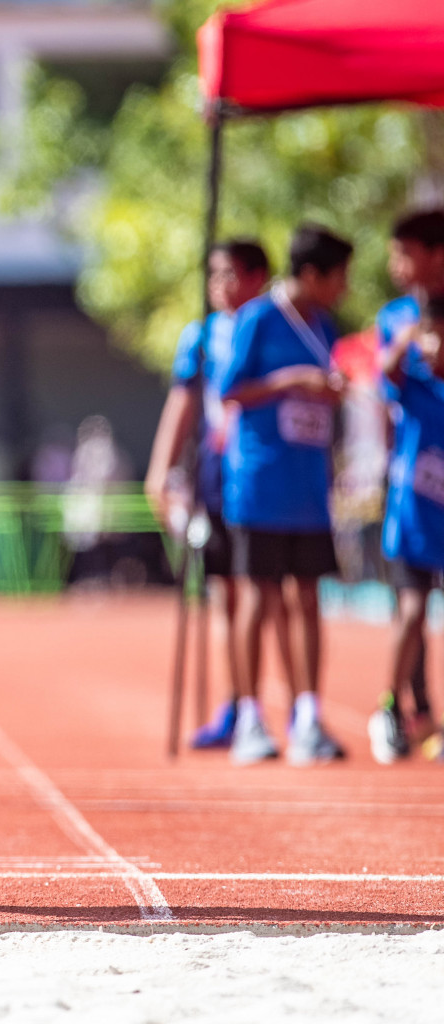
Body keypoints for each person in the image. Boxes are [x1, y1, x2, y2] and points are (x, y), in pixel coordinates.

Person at [143, 240, 286, 749]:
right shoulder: (201, 336)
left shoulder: (278, 328)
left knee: (272, 595)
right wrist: (160, 470)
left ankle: (288, 707)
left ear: (257, 278)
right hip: (216, 481)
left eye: (230, 275)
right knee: (227, 595)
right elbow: (183, 403)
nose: (218, 286)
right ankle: (238, 702)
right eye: (213, 275)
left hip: (268, 480)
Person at [219, 224, 351, 766]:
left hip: (309, 487)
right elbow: (229, 389)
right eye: (340, 277)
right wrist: (291, 380)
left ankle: (307, 716)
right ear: (313, 274)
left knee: (308, 599)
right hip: (260, 483)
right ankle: (249, 717)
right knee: (257, 596)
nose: (344, 288)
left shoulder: (326, 325)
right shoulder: (257, 318)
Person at [369, 209, 444, 761]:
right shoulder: (396, 317)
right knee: (412, 607)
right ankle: (396, 707)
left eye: (404, 253)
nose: (396, 265)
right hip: (416, 489)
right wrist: (409, 344)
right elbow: (384, 381)